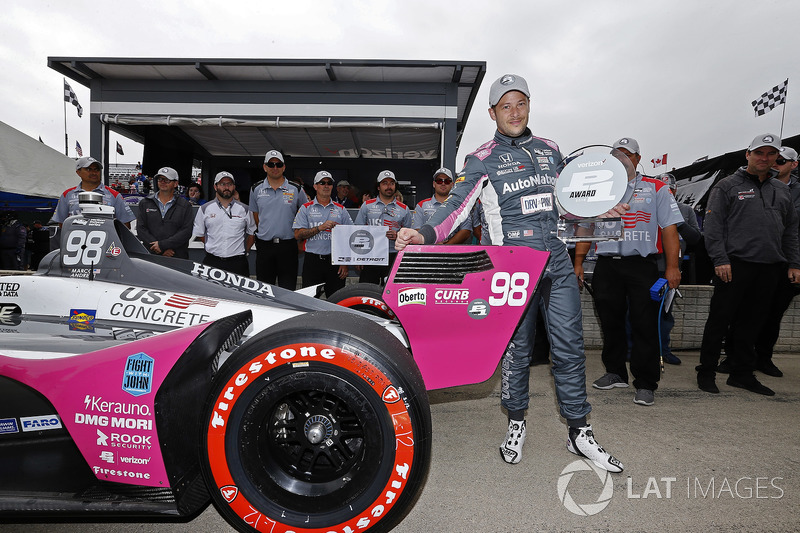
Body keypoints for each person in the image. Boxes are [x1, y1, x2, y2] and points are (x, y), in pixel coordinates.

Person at [395, 74, 623, 472]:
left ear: (529, 106)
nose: (514, 112)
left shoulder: (551, 150)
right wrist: (426, 233)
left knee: (570, 347)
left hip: (555, 262)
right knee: (516, 352)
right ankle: (516, 422)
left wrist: (595, 208)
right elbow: (459, 206)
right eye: (506, 106)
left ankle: (579, 430)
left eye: (520, 103)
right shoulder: (481, 157)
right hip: (513, 266)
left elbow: (566, 204)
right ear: (492, 113)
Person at [574, 138, 683, 407]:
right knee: (610, 322)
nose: (622, 160)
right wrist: (578, 261)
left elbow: (670, 230)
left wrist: (672, 266)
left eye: (627, 155)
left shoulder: (656, 188)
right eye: (617, 156)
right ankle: (615, 372)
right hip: (607, 265)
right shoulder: (599, 189)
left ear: (637, 158)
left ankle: (646, 383)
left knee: (644, 324)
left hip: (642, 265)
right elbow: (586, 228)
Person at [696, 134, 800, 396]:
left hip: (770, 267)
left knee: (752, 323)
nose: (764, 158)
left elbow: (790, 231)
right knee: (719, 321)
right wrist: (720, 260)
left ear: (777, 157)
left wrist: (794, 263)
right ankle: (706, 372)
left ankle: (742, 374)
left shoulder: (782, 190)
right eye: (759, 153)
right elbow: (713, 227)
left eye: (770, 154)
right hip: (734, 265)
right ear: (748, 155)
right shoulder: (727, 186)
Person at [749, 146, 800, 377]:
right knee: (745, 310)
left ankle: (763, 358)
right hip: (756, 258)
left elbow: (793, 230)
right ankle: (736, 357)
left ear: (794, 164)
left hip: (786, 262)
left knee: (774, 313)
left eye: (780, 160)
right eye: (771, 158)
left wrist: (795, 263)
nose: (774, 162)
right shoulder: (753, 184)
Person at [655, 173, 702, 366]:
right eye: (664, 189)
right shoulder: (647, 207)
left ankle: (664, 351)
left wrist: (678, 221)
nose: (668, 192)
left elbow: (696, 240)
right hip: (649, 268)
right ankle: (632, 350)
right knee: (636, 312)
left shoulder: (685, 210)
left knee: (665, 315)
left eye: (671, 189)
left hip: (671, 270)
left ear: (675, 190)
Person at [250, 150, 307, 290]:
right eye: (271, 164)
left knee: (288, 290)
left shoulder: (296, 189)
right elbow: (256, 216)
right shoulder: (255, 189)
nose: (275, 168)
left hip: (288, 246)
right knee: (264, 290)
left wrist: (302, 242)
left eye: (278, 164)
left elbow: (305, 215)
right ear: (265, 167)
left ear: (284, 167)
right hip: (265, 246)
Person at [292, 171, 353, 297]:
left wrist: (345, 262)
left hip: (335, 262)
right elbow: (298, 234)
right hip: (312, 261)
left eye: (329, 183)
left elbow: (350, 236)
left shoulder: (340, 209)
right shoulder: (306, 208)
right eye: (322, 183)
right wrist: (319, 228)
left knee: (337, 301)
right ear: (315, 186)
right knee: (309, 301)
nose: (326, 186)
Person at [193, 171, 256, 277]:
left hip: (238, 263)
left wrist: (246, 251)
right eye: (222, 184)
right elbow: (200, 234)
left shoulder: (244, 209)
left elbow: (252, 234)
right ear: (215, 186)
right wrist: (213, 246)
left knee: (238, 294)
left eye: (229, 184)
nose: (226, 187)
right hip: (212, 262)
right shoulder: (205, 209)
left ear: (234, 187)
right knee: (211, 293)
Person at [355, 170, 412, 285]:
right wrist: (358, 257)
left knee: (392, 294)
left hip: (393, 255)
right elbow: (357, 231)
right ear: (378, 187)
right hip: (370, 255)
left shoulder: (404, 209)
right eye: (384, 183)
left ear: (395, 186)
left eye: (391, 183)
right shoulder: (367, 205)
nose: (388, 186)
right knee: (367, 292)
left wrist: (398, 235)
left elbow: (411, 234)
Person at [52, 157, 135, 227]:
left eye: (97, 169)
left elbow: (125, 225)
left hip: (106, 244)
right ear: (78, 172)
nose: (94, 172)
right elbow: (62, 224)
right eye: (88, 169)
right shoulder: (67, 195)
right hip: (75, 243)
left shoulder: (114, 195)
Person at [135, 166, 195, 259]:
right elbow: (141, 229)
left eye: (167, 180)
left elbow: (186, 232)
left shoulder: (185, 206)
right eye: (160, 179)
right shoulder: (145, 203)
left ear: (175, 184)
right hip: (151, 257)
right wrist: (159, 248)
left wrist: (162, 245)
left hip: (177, 257)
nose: (162, 182)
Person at [411, 168, 473, 244]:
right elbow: (416, 230)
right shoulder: (421, 205)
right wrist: (433, 244)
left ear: (452, 185)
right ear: (434, 184)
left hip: (453, 252)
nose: (443, 184)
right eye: (439, 181)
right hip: (428, 252)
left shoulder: (461, 206)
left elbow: (466, 231)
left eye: (447, 181)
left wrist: (446, 246)